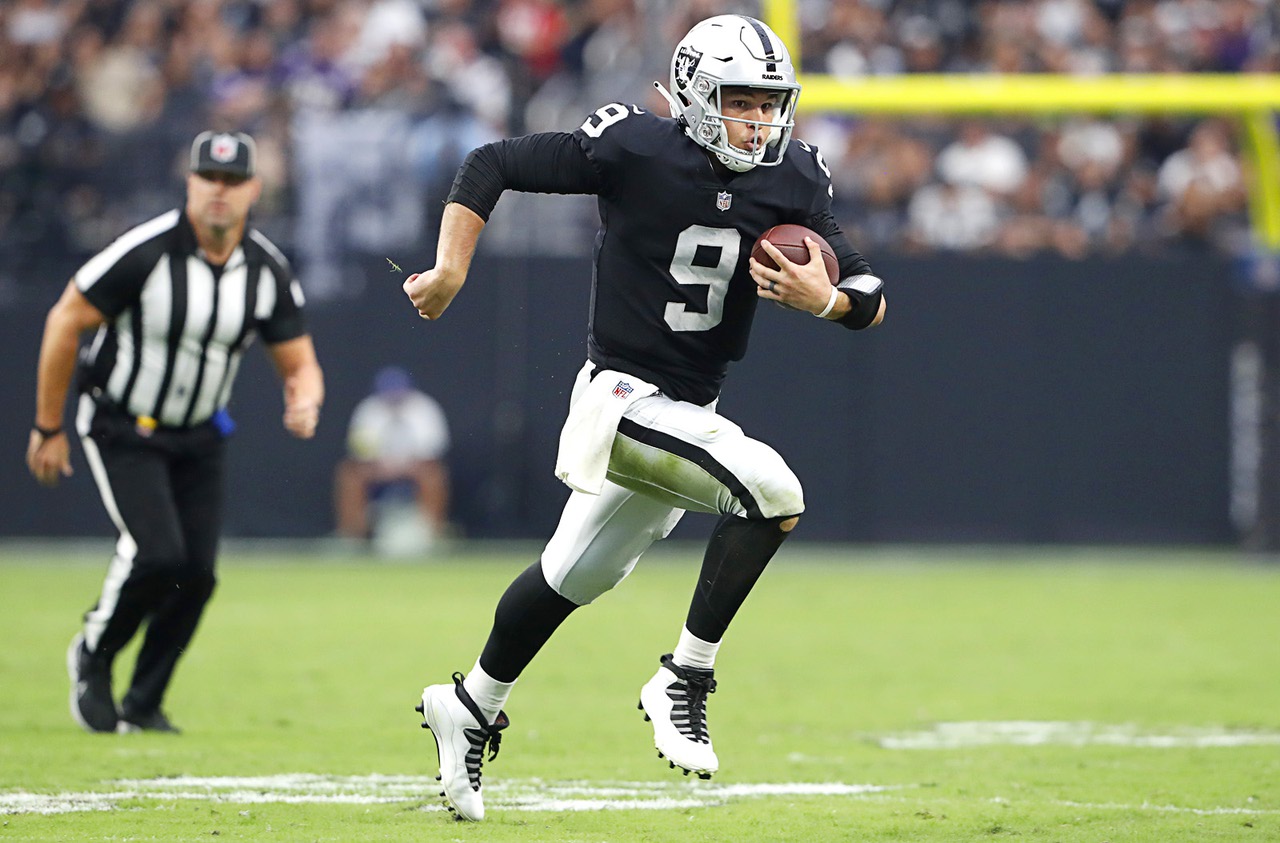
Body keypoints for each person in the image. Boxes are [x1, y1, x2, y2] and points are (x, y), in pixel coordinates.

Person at [403, 14, 886, 821]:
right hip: (619, 400)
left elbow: (869, 295)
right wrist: (452, 266)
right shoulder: (638, 147)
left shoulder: (793, 175)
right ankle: (685, 675)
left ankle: (470, 703)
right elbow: (493, 161)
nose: (758, 121)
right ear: (695, 96)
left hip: (690, 410)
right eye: (740, 102)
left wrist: (827, 298)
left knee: (572, 576)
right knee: (772, 491)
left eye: (770, 105)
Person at [26, 130, 325, 735]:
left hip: (199, 435)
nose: (219, 192)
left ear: (253, 190)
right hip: (121, 423)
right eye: (208, 179)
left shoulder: (265, 269)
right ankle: (94, 654)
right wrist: (47, 425)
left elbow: (299, 362)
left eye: (232, 181)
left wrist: (306, 400)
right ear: (189, 183)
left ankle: (144, 699)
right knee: (159, 554)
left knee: (199, 575)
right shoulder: (146, 251)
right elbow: (65, 320)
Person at [333, 365, 451, 549]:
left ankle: (431, 537)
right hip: (378, 468)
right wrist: (382, 466)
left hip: (414, 468)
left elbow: (431, 453)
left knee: (434, 476)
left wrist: (404, 466)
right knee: (349, 474)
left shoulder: (424, 408)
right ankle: (352, 537)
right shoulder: (369, 409)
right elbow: (361, 452)